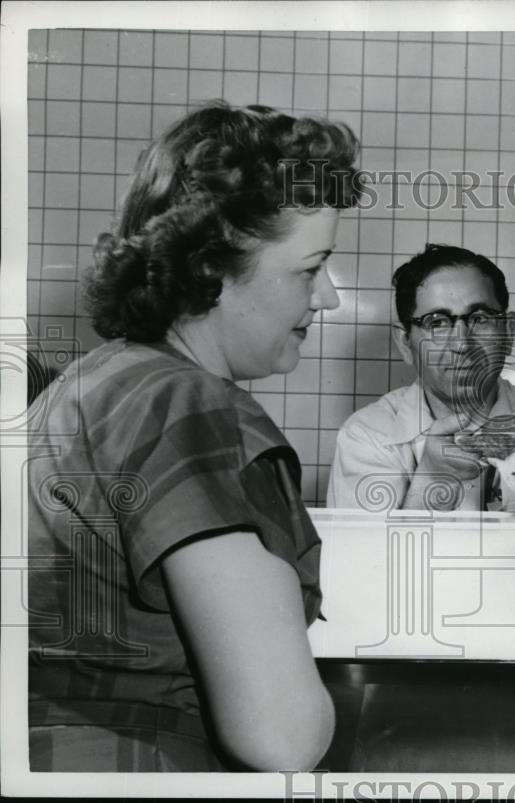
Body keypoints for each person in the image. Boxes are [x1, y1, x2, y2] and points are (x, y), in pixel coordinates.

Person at [27, 101, 360, 772]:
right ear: (212, 268)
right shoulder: (191, 406)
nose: (326, 297)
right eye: (309, 267)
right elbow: (281, 734)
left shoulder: (89, 382)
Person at [327, 243, 515, 512]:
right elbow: (366, 568)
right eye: (438, 322)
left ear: (508, 333)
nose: (462, 345)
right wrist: (432, 478)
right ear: (405, 343)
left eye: (480, 319)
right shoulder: (368, 436)